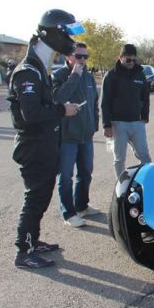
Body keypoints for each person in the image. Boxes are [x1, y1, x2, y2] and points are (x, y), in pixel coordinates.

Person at [8, 9, 84, 268]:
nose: (72, 41)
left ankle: (33, 240)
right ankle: (24, 251)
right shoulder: (28, 71)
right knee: (35, 197)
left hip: (45, 143)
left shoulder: (42, 66)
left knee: (42, 195)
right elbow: (32, 113)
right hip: (33, 146)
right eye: (68, 33)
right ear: (51, 33)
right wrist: (63, 110)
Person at [52, 42, 100, 228]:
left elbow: (94, 103)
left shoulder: (89, 77)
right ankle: (69, 213)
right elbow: (58, 99)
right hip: (67, 137)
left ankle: (82, 206)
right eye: (78, 56)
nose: (82, 60)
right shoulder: (59, 76)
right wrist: (74, 76)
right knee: (65, 176)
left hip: (85, 135)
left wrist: (93, 125)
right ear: (68, 57)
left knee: (86, 173)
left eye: (85, 57)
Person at [101, 44, 151, 179]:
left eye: (134, 60)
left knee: (145, 157)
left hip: (136, 123)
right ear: (121, 57)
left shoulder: (140, 74)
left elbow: (145, 96)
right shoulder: (111, 76)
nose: (132, 63)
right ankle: (121, 185)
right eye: (128, 60)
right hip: (118, 124)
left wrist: (144, 116)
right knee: (119, 159)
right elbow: (105, 102)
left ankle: (142, 182)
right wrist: (107, 125)